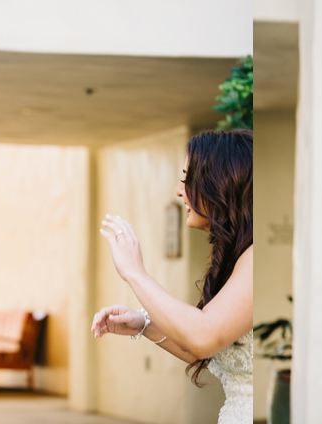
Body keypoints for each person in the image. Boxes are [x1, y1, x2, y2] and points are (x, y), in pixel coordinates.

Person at [89, 130, 255, 423]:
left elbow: (204, 336)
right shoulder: (238, 256)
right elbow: (207, 343)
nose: (179, 191)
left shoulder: (255, 257)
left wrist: (134, 272)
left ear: (220, 183)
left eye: (187, 179)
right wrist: (145, 324)